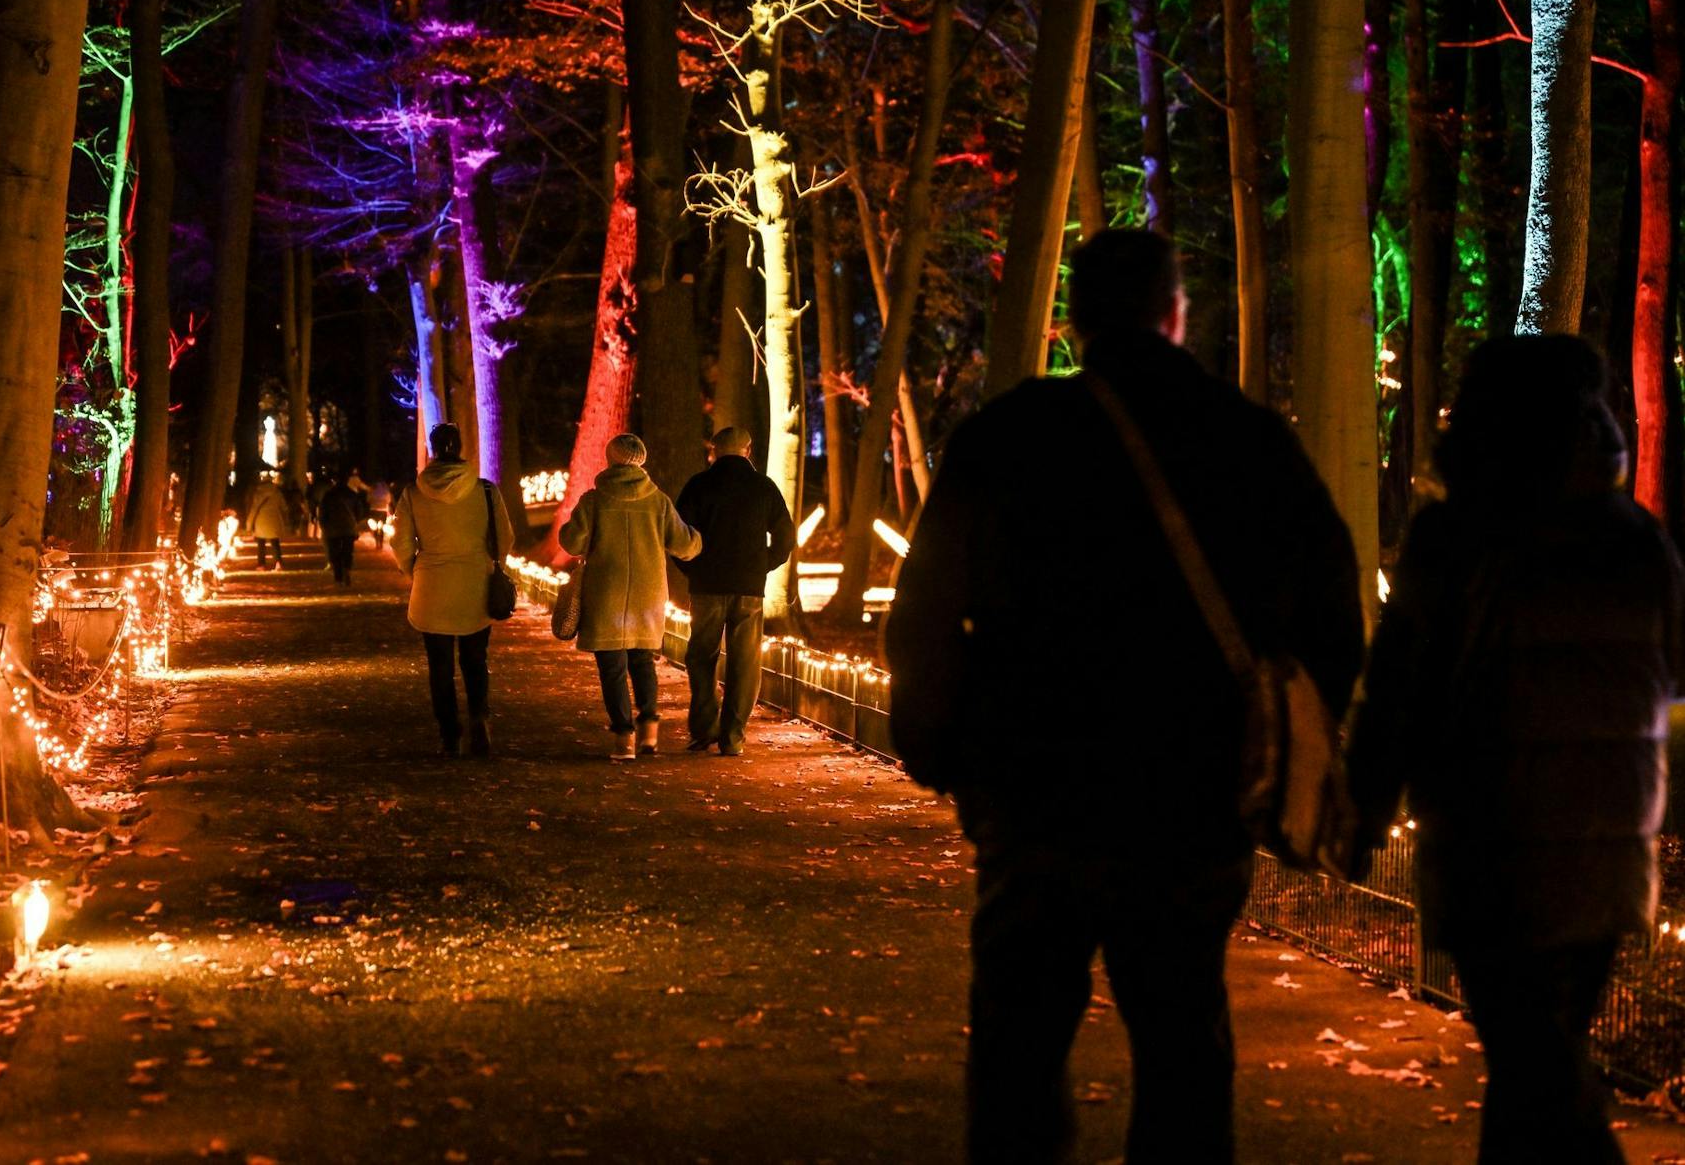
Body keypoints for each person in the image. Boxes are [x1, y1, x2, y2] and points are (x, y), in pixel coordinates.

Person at [885, 229, 1364, 1163]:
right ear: (1174, 315)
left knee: (1021, 1041)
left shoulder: (1007, 438)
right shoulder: (1249, 440)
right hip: (1195, 789)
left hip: (1035, 788)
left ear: (1074, 322)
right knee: (1184, 1033)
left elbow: (926, 611)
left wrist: (942, 752)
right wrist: (1294, 740)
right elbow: (1331, 613)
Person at [1348, 335, 1681, 1165]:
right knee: (1537, 1059)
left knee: (1536, 1065)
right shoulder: (1638, 541)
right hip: (1605, 850)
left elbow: (1398, 692)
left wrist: (1361, 811)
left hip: (1489, 846)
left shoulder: (1454, 538)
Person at [559, 433, 702, 761]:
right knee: (642, 661)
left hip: (605, 594)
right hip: (647, 594)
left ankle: (623, 737)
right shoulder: (658, 501)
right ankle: (650, 731)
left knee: (611, 668)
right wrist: (701, 539)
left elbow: (572, 542)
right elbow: (684, 544)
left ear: (610, 459)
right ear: (641, 459)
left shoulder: (595, 500)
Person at [390, 424, 514, 757]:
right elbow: (505, 536)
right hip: (475, 582)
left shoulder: (414, 493)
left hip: (432, 586)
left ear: (432, 449)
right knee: (475, 659)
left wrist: (412, 568)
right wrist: (489, 560)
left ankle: (449, 732)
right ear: (461, 448)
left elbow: (400, 541)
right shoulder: (485, 490)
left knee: (440, 666)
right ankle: (478, 717)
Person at [673, 427, 795, 756]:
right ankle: (733, 737)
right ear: (748, 450)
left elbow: (677, 535)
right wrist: (762, 565)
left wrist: (692, 569)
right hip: (748, 588)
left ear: (714, 451)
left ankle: (703, 729)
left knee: (701, 657)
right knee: (745, 663)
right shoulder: (763, 487)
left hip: (707, 587)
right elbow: (785, 537)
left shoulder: (699, 485)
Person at [318, 470, 365, 586]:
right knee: (347, 552)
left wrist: (324, 525)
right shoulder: (352, 494)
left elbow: (323, 513)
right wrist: (355, 522)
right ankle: (347, 570)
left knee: (335, 553)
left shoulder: (328, 495)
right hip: (348, 528)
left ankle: (338, 578)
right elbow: (359, 511)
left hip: (332, 529)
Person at [244, 473, 287, 570]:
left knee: (261, 544)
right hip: (274, 519)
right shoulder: (277, 493)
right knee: (275, 543)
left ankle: (261, 564)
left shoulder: (258, 493)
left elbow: (254, 509)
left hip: (261, 521)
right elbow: (284, 506)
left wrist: (249, 524)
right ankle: (278, 562)